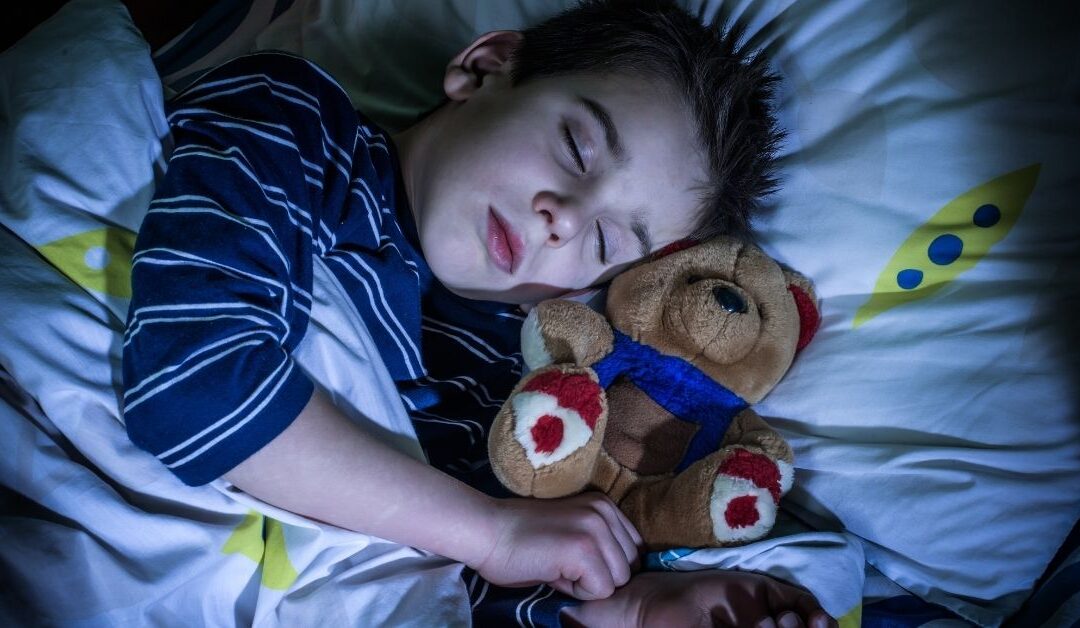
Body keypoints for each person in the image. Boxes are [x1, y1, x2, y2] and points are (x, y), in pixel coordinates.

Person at [121, 1, 835, 625]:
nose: (563, 219)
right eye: (576, 148)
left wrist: (636, 606)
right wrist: (491, 532)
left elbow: (428, 575)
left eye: (606, 240)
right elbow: (193, 385)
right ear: (486, 66)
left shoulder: (522, 387)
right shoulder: (297, 122)